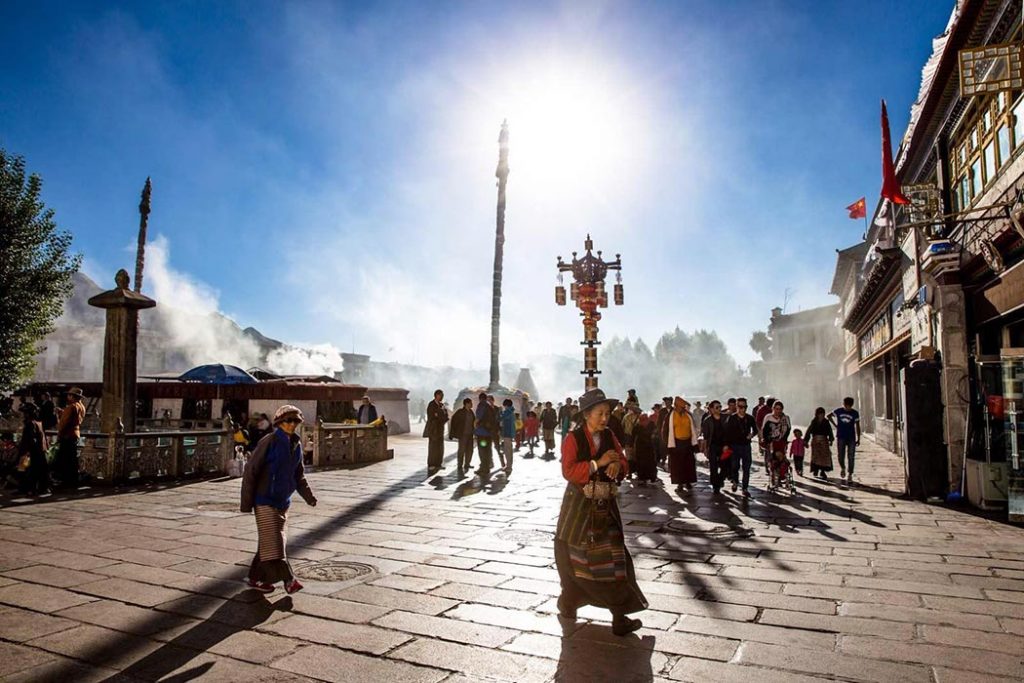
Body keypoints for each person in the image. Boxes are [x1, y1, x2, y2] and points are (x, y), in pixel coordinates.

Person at [554, 388, 647, 636]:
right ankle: (570, 602)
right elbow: (569, 471)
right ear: (586, 415)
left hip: (605, 508)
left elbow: (624, 461)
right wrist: (599, 463)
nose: (605, 418)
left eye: (607, 413)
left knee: (616, 561)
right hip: (578, 509)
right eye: (599, 413)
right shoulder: (572, 439)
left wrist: (618, 464)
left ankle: (619, 616)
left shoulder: (609, 436)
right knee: (575, 560)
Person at [240, 405, 317, 595]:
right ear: (279, 423)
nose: (292, 425)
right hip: (264, 500)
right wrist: (246, 502)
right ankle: (289, 580)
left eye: (295, 421)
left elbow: (298, 475)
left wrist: (309, 496)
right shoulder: (270, 441)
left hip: (283, 502)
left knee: (270, 543)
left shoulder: (296, 445)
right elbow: (251, 470)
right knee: (275, 545)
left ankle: (254, 578)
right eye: (288, 421)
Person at [663, 397, 698, 494]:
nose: (683, 409)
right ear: (676, 406)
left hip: (687, 443)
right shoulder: (670, 416)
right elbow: (665, 431)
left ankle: (688, 482)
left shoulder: (688, 416)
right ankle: (680, 484)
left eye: (684, 407)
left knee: (689, 464)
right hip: (676, 444)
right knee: (678, 466)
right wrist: (667, 443)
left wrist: (694, 443)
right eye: (681, 407)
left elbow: (693, 429)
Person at [723, 397, 757, 497]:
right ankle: (735, 481)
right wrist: (726, 445)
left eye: (745, 407)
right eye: (740, 406)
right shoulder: (732, 418)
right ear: (737, 407)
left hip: (746, 446)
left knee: (747, 467)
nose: (743, 409)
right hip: (734, 446)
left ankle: (745, 487)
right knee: (735, 466)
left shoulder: (750, 418)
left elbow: (755, 430)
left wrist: (752, 434)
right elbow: (727, 432)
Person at [54, 387, 85, 488]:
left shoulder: (71, 407)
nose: (68, 397)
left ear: (72, 396)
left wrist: (59, 433)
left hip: (67, 435)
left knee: (65, 459)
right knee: (72, 459)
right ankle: (73, 480)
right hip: (75, 434)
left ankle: (65, 480)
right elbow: (74, 419)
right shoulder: (81, 406)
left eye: (69, 395)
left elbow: (64, 423)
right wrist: (62, 412)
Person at [17, 403, 50, 495]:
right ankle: (31, 488)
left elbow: (31, 439)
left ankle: (28, 489)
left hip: (33, 452)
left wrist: (26, 452)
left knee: (28, 470)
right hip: (40, 451)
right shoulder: (38, 423)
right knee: (36, 471)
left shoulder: (30, 424)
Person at [830, 397, 862, 481]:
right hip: (841, 436)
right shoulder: (839, 411)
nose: (847, 407)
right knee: (841, 454)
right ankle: (843, 468)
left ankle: (850, 473)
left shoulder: (855, 413)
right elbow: (828, 416)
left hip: (851, 436)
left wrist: (858, 438)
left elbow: (857, 426)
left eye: (848, 406)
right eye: (845, 405)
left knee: (851, 456)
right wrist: (836, 425)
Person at [700, 400, 727, 494]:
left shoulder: (726, 418)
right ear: (711, 409)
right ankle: (716, 485)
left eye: (720, 407)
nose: (719, 409)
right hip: (713, 446)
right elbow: (706, 436)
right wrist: (705, 448)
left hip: (725, 446)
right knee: (713, 466)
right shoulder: (707, 421)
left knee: (726, 465)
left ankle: (720, 480)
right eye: (717, 407)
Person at [761, 400, 792, 480]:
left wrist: (782, 439)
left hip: (781, 442)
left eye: (780, 409)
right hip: (771, 442)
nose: (778, 411)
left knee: (781, 457)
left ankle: (782, 473)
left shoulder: (785, 418)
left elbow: (788, 430)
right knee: (773, 459)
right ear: (773, 408)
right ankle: (775, 474)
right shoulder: (768, 417)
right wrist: (766, 440)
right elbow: (764, 430)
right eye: (776, 409)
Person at [805, 407, 835, 480]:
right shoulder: (814, 422)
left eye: (822, 414)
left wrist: (831, 439)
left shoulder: (826, 422)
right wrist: (806, 440)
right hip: (815, 440)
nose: (821, 415)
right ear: (817, 414)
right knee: (816, 456)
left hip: (824, 440)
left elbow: (830, 431)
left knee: (824, 457)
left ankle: (822, 471)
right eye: (820, 414)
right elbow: (809, 430)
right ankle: (816, 469)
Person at [449, 398, 476, 476]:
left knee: (470, 450)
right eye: (470, 403)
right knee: (461, 450)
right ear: (466, 404)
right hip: (462, 434)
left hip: (470, 434)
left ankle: (467, 463)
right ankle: (460, 464)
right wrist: (454, 432)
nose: (472, 404)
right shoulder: (460, 412)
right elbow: (453, 420)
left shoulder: (471, 412)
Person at [424, 389, 448, 471]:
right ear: (436, 395)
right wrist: (439, 416)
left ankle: (438, 463)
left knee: (440, 447)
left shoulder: (442, 405)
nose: (442, 397)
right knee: (433, 447)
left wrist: (439, 415)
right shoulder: (431, 404)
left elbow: (445, 416)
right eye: (441, 395)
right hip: (433, 429)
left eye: (442, 395)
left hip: (440, 429)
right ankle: (431, 463)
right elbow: (432, 416)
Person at [474, 392, 498, 477]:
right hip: (489, 432)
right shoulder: (490, 407)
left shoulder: (481, 405)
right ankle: (487, 467)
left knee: (482, 451)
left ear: (480, 398)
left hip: (482, 432)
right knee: (488, 450)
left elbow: (478, 417)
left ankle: (483, 468)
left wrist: (475, 425)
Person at [632, 412, 659, 485]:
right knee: (641, 463)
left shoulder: (651, 425)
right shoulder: (638, 426)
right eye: (642, 420)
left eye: (644, 419)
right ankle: (642, 478)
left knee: (651, 463)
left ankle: (652, 477)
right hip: (641, 447)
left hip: (649, 447)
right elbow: (633, 435)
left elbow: (656, 434)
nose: (643, 422)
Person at [499, 398, 516, 476]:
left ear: (506, 405)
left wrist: (500, 411)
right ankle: (508, 465)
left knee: (507, 450)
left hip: (507, 433)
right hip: (510, 433)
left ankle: (509, 466)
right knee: (509, 450)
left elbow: (501, 417)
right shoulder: (511, 412)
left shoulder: (507, 412)